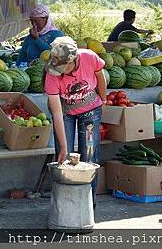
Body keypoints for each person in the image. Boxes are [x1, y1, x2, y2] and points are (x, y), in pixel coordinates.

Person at [44, 36, 107, 207]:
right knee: (64, 158)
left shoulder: (89, 57)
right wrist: (64, 147)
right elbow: (57, 114)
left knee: (90, 155)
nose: (60, 71)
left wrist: (103, 99)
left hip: (91, 110)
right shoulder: (51, 75)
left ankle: (88, 204)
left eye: (63, 67)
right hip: (65, 112)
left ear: (74, 60)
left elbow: (100, 76)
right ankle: (65, 204)